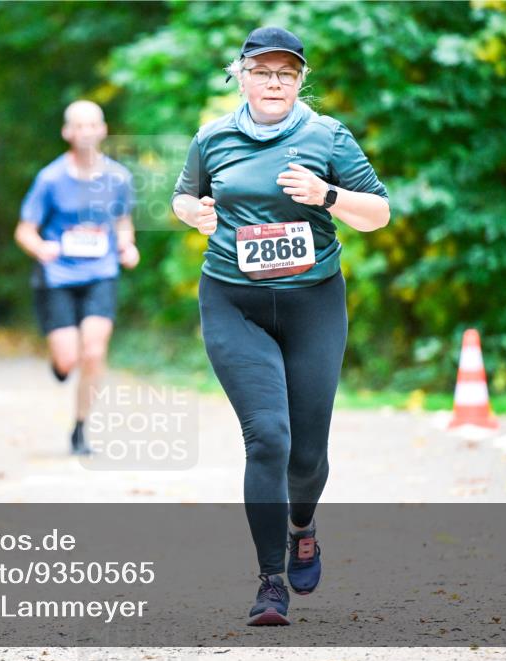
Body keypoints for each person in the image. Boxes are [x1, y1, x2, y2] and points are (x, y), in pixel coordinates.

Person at [171, 26, 390, 626]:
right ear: (241, 74)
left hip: (313, 301)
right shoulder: (212, 137)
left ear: (300, 81)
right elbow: (184, 199)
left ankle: (303, 526)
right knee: (268, 435)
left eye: (286, 73)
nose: (274, 82)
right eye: (263, 71)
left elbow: (378, 212)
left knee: (308, 456)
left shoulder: (327, 136)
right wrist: (191, 212)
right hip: (233, 301)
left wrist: (325, 195)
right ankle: (270, 583)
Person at [15, 100, 140, 455]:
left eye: (92, 125)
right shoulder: (50, 179)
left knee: (94, 351)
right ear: (67, 132)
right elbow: (24, 231)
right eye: (78, 126)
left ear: (103, 130)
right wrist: (40, 248)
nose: (86, 132)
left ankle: (81, 428)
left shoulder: (118, 177)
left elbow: (122, 223)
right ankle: (59, 362)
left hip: (100, 273)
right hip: (57, 276)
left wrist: (127, 247)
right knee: (69, 359)